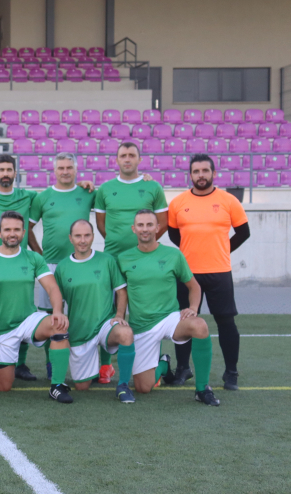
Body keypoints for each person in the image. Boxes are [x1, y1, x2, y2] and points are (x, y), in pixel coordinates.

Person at [0, 211, 73, 403]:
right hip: (1, 329)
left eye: (16, 230)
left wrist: (57, 311)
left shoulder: (34, 259)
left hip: (28, 320)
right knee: (3, 387)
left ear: (24, 233)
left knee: (59, 324)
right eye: (7, 230)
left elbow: (52, 287)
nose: (12, 234)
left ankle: (56, 386)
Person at [167, 154, 250, 391]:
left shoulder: (228, 200)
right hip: (188, 275)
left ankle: (231, 372)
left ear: (214, 173)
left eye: (205, 170)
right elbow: (174, 235)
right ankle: (184, 368)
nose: (201, 175)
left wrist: (223, 249)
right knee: (185, 320)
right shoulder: (178, 202)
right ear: (190, 175)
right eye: (196, 171)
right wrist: (189, 252)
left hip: (219, 273)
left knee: (226, 322)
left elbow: (244, 232)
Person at [118, 210, 217, 405]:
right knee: (143, 388)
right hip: (141, 326)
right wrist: (120, 315)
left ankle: (202, 389)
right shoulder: (124, 258)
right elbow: (121, 293)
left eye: (149, 225)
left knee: (200, 326)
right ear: (133, 229)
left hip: (170, 318)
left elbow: (194, 286)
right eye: (140, 225)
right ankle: (163, 364)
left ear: (157, 228)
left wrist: (193, 308)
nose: (145, 229)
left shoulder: (173, 254)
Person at [27, 152, 106, 380]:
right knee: (51, 314)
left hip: (82, 264)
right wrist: (39, 255)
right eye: (60, 168)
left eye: (69, 168)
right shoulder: (43, 197)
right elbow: (28, 228)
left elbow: (110, 198)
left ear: (75, 170)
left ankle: (103, 367)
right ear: (54, 170)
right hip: (50, 265)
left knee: (89, 314)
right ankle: (52, 363)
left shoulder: (87, 192)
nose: (65, 171)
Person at [54, 219, 136, 402]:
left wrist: (119, 316)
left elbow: (121, 291)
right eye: (78, 236)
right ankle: (95, 367)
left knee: (125, 333)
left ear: (93, 237)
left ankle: (123, 385)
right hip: (79, 331)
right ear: (70, 238)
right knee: (82, 387)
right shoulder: (62, 267)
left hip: (106, 324)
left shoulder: (107, 260)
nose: (83, 240)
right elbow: (57, 299)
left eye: (87, 235)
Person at [93, 142, 168, 258]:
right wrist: (115, 240)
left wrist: (146, 242)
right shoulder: (104, 189)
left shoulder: (153, 187)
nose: (127, 160)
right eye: (123, 156)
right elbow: (100, 224)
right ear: (117, 160)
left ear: (140, 160)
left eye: (132, 156)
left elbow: (163, 224)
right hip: (113, 256)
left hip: (144, 256)